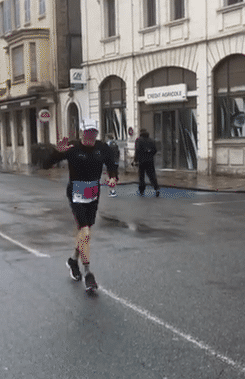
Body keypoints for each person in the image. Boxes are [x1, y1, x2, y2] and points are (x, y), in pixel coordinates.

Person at [44, 119, 118, 292]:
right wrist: (56, 152)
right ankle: (88, 273)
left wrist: (113, 177)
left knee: (85, 234)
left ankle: (72, 260)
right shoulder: (72, 148)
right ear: (81, 132)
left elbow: (111, 165)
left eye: (93, 132)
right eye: (87, 132)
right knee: (84, 232)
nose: (90, 136)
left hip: (93, 194)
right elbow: (46, 164)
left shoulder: (102, 148)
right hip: (76, 194)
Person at [134, 129, 160, 197]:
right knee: (152, 175)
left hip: (142, 160)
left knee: (141, 176)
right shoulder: (151, 140)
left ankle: (142, 190)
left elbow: (137, 150)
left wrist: (135, 160)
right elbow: (155, 150)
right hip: (150, 160)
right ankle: (156, 188)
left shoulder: (139, 140)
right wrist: (150, 155)